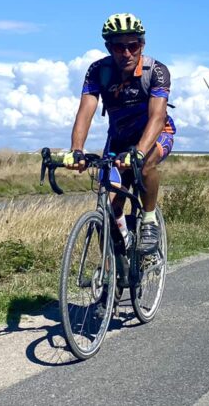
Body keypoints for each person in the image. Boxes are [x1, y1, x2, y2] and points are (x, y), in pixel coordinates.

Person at [65, 13, 176, 254]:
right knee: (109, 207)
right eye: (118, 47)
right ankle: (110, 274)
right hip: (118, 139)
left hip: (155, 134)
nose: (126, 53)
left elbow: (157, 117)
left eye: (132, 46)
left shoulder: (156, 71)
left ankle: (148, 221)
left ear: (141, 45)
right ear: (108, 47)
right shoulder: (97, 71)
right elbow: (85, 111)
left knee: (145, 164)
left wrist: (138, 152)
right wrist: (76, 150)